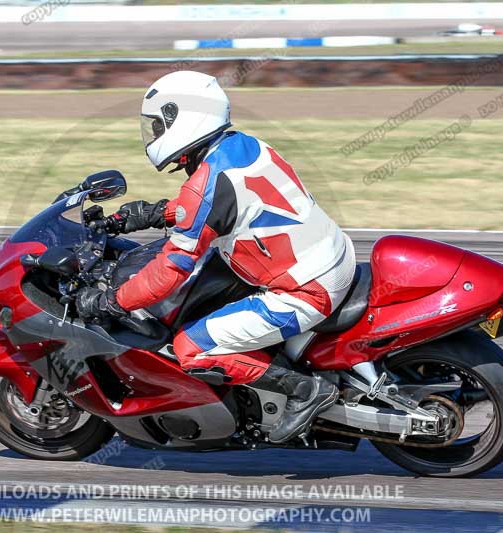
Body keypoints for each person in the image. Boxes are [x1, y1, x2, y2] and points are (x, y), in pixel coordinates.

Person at [76, 71, 356, 444]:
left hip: (304, 291)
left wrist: (111, 301)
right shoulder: (244, 146)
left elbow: (170, 271)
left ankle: (305, 389)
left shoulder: (206, 186)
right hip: (328, 257)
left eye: (159, 124)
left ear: (184, 118)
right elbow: (221, 205)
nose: (154, 133)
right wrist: (155, 213)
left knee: (190, 348)